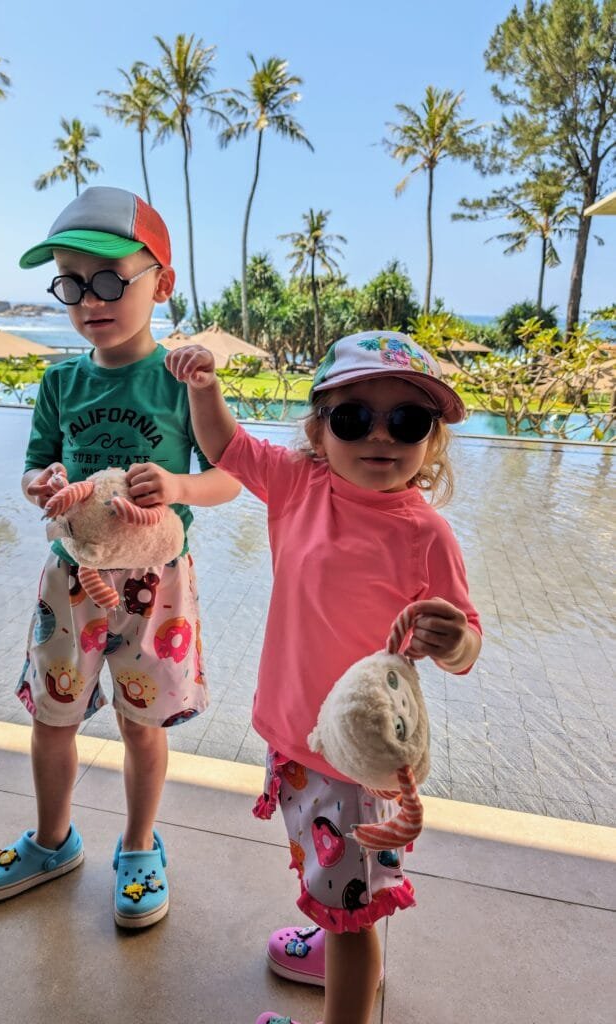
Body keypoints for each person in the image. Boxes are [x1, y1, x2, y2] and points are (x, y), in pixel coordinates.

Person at [166, 331, 482, 1024]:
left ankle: (341, 974)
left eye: (406, 421)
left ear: (431, 441)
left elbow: (464, 647)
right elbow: (226, 448)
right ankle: (328, 939)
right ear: (317, 431)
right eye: (351, 417)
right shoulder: (298, 484)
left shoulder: (423, 534)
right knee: (326, 870)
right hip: (295, 735)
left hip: (357, 759)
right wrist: (202, 388)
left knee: (356, 914)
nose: (379, 435)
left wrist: (453, 638)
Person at [0, 186, 241, 929]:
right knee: (53, 716)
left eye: (109, 279)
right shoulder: (61, 381)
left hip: (158, 586)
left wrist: (180, 483)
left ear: (162, 282)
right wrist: (45, 485)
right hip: (70, 579)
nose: (89, 299)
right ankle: (53, 840)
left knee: (140, 724)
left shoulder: (180, 378)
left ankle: (138, 844)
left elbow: (232, 474)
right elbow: (34, 468)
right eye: (70, 282)